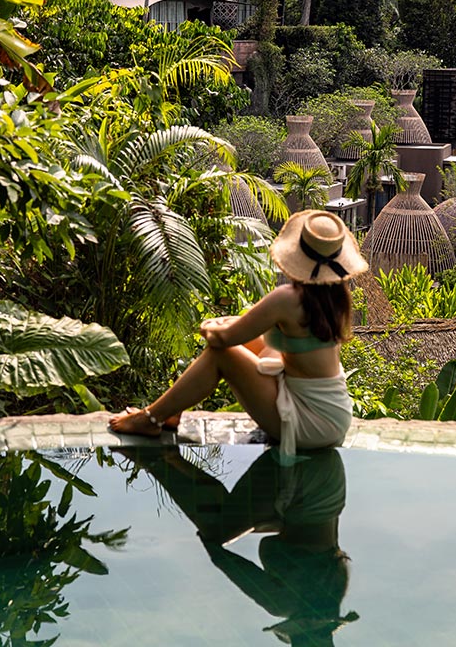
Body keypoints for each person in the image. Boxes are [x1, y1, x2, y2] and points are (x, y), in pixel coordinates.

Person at [109, 210, 368, 458]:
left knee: (221, 355)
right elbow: (258, 329)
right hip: (333, 415)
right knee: (258, 343)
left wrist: (208, 325)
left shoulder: (288, 299)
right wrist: (233, 324)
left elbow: (221, 339)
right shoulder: (335, 298)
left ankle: (152, 418)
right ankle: (171, 411)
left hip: (309, 424)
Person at [119, 444, 359, 646]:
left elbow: (285, 526)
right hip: (302, 477)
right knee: (217, 529)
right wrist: (209, 537)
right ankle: (153, 460)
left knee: (231, 522)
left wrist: (237, 525)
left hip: (327, 472)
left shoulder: (336, 581)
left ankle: (172, 458)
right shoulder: (282, 603)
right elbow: (223, 559)